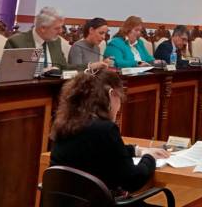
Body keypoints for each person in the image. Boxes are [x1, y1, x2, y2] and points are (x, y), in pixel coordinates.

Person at [49, 70, 169, 198]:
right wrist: (148, 157)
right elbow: (133, 180)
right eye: (120, 98)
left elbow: (103, 151)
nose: (119, 107)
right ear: (111, 94)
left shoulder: (65, 123)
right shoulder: (105, 129)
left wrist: (137, 150)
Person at [5, 6, 67, 73]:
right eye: (57, 28)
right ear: (43, 28)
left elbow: (64, 67)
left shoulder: (56, 41)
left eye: (61, 27)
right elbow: (9, 71)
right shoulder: (16, 42)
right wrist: (41, 72)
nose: (61, 31)